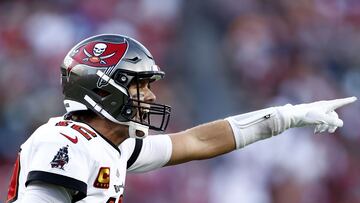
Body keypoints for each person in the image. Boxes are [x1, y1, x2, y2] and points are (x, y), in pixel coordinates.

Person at [6, 34, 356, 203]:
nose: (150, 95)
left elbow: (197, 141)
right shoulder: (63, 142)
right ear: (100, 91)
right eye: (137, 85)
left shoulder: (115, 147)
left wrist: (286, 116)